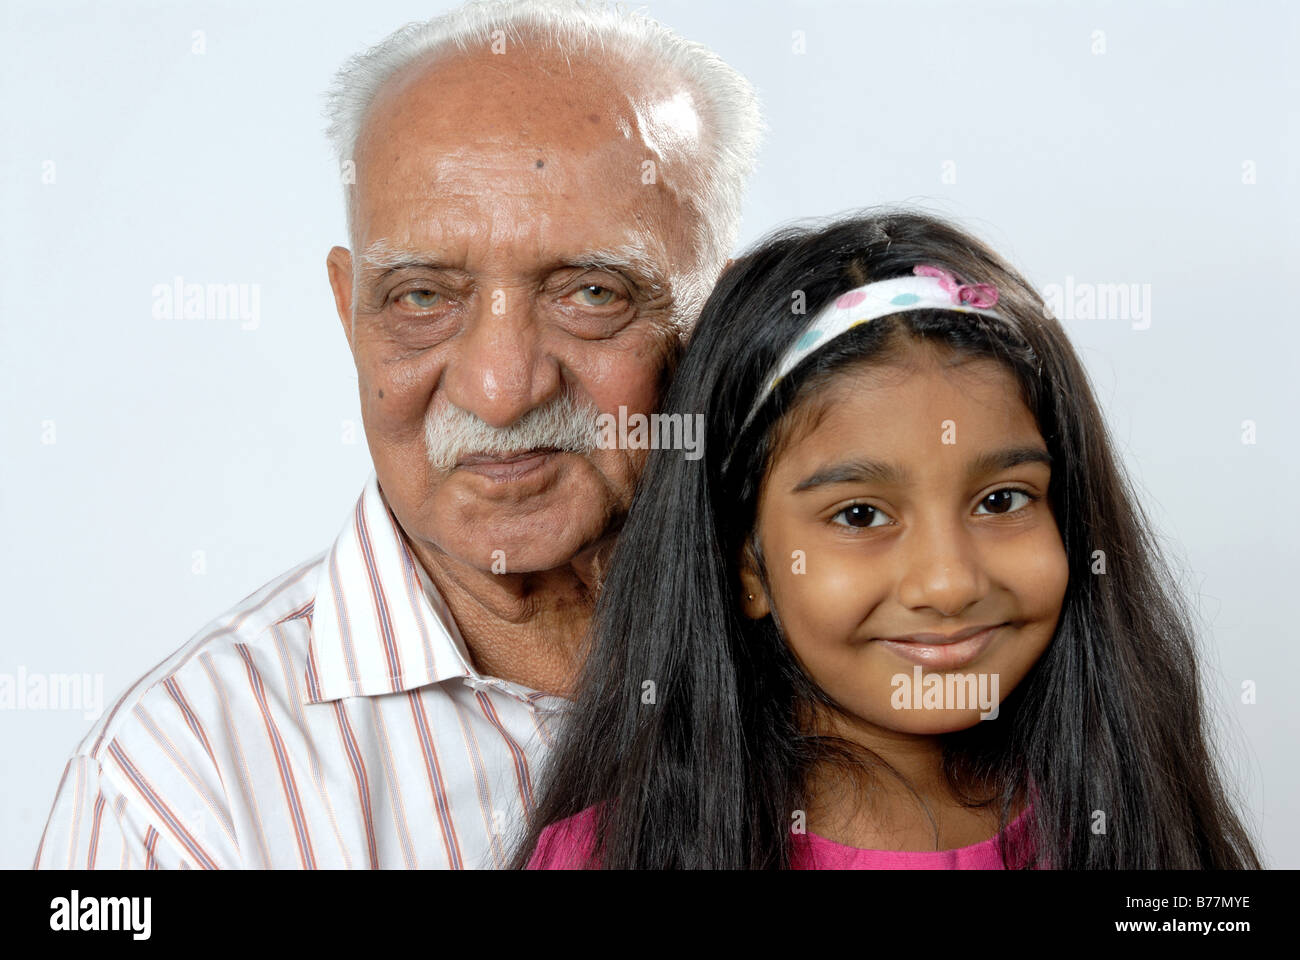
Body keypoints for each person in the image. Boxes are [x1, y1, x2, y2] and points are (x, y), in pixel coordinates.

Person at [33, 0, 762, 869]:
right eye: (423, 296)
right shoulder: (176, 789)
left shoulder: (867, 646)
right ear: (350, 314)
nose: (499, 390)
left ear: (713, 319)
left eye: (590, 292)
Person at [516, 208, 1263, 869]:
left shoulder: (1134, 823)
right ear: (745, 563)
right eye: (861, 515)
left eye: (1001, 500)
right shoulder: (612, 855)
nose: (948, 582)